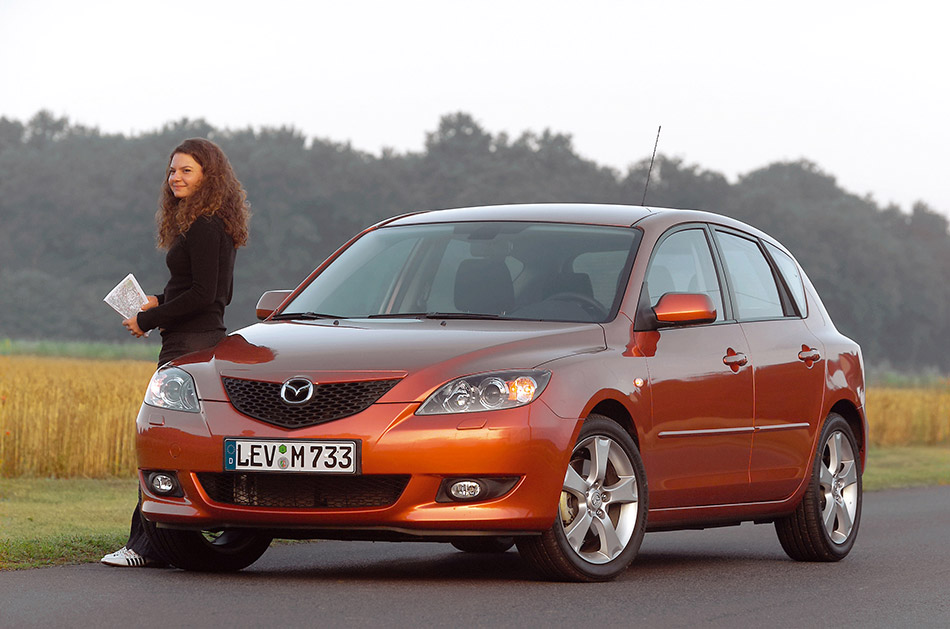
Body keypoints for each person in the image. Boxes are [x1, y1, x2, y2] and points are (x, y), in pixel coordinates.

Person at [101, 138, 251, 567]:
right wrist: (157, 299)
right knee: (182, 443)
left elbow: (207, 295)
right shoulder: (211, 223)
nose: (175, 178)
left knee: (164, 441)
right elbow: (202, 288)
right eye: (172, 171)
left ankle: (143, 547)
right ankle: (162, 542)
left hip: (190, 342)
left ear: (208, 175)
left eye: (186, 170)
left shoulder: (203, 226)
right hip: (200, 338)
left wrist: (148, 320)